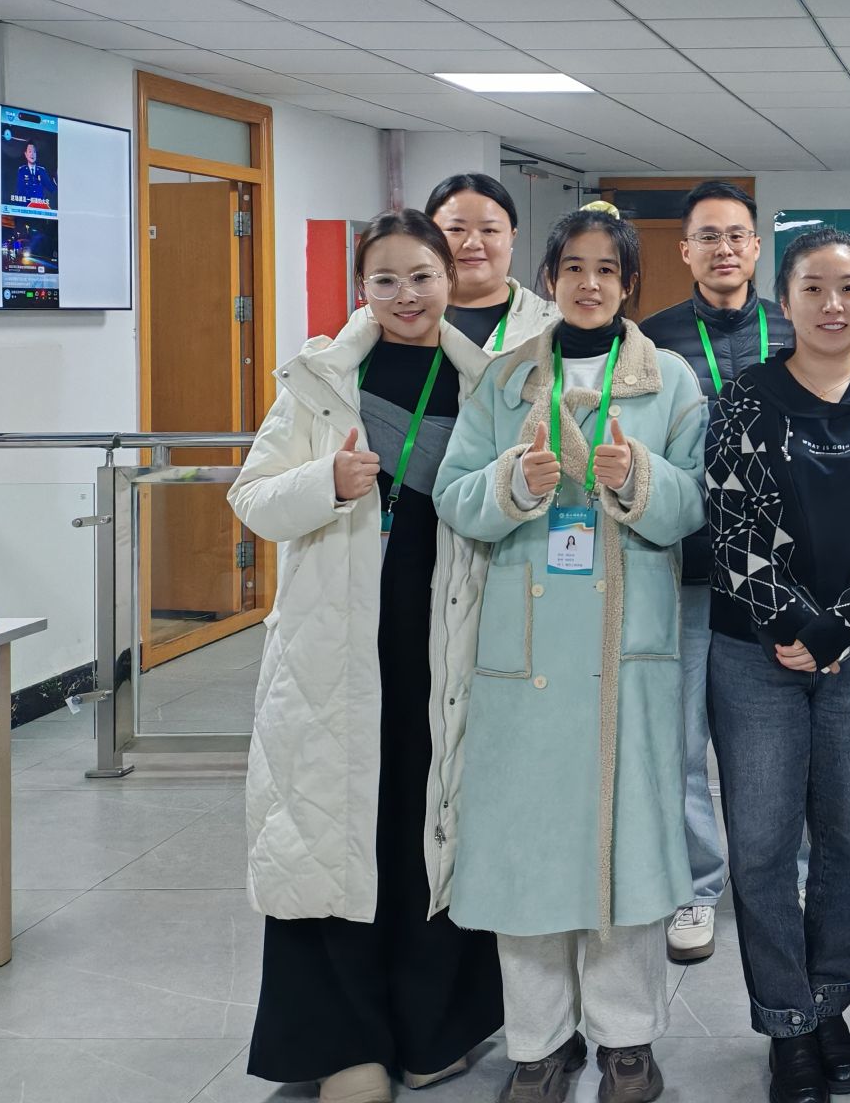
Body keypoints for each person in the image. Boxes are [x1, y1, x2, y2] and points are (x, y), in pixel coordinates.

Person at [434, 204, 706, 1103]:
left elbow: (698, 504)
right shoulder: (507, 377)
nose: (590, 284)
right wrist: (512, 482)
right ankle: (538, 1044)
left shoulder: (668, 381)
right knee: (528, 853)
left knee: (627, 852)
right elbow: (454, 496)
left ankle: (628, 1042)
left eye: (608, 269)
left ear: (631, 283)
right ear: (550, 279)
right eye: (575, 268)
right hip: (526, 651)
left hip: (626, 647)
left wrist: (640, 479)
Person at [231, 209, 503, 1103]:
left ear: (450, 279)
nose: (405, 296)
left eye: (421, 276)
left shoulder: (487, 383)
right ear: (363, 288)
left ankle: (433, 1032)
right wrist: (328, 482)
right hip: (335, 654)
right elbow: (253, 499)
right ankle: (343, 1045)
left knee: (427, 837)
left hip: (444, 647)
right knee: (335, 837)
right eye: (385, 280)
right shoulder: (321, 379)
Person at [703, 227, 850, 1103]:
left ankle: (828, 1002)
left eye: (848, 288)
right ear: (785, 300)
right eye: (813, 289)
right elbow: (729, 521)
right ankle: (786, 1023)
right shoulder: (745, 397)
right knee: (763, 845)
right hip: (754, 653)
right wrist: (794, 622)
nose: (832, 305)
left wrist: (839, 629)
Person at [638, 180, 796, 964]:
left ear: (757, 247)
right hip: (686, 571)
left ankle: (783, 878)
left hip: (782, 576)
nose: (724, 248)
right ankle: (695, 886)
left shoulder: (796, 331)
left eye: (737, 235)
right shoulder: (652, 340)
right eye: (709, 236)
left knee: (775, 741)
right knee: (681, 741)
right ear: (686, 250)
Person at [426, 172, 554, 352]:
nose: (473, 243)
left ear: (512, 237)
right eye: (456, 229)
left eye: (489, 230)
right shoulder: (394, 319)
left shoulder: (553, 324)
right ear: (428, 237)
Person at [14, 140, 55, 206]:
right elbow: (19, 192)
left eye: (34, 152)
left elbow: (51, 189)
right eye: (30, 151)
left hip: (40, 207)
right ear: (25, 154)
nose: (32, 154)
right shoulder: (22, 170)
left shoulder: (42, 171)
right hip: (26, 207)